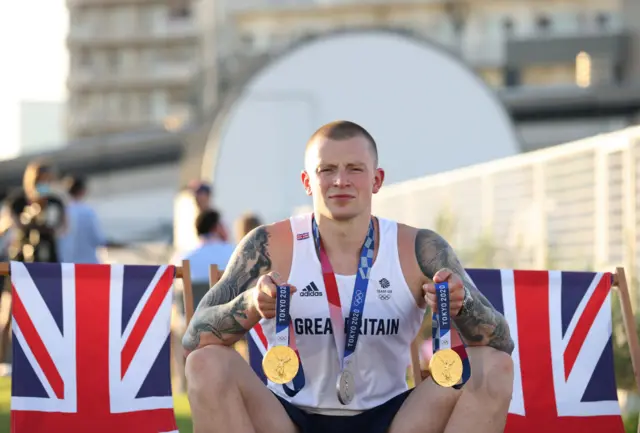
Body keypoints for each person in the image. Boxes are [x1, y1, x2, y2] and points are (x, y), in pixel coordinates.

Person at [182, 121, 515, 433]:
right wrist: (251, 303)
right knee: (206, 363)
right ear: (307, 181)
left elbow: (501, 342)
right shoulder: (267, 243)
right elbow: (194, 338)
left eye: (354, 169)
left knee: (494, 367)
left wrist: (462, 304)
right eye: (327, 169)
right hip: (288, 414)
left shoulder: (419, 247)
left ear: (377, 179)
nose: (340, 180)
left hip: (392, 417)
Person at [4, 159, 67, 263]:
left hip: (50, 258)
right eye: (40, 180)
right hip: (23, 258)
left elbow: (63, 227)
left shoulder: (55, 202)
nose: (44, 184)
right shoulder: (18, 202)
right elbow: (14, 225)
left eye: (48, 180)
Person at [57, 176, 107, 263]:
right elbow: (98, 239)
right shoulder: (88, 212)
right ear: (83, 191)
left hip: (67, 264)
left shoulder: (62, 211)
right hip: (88, 264)